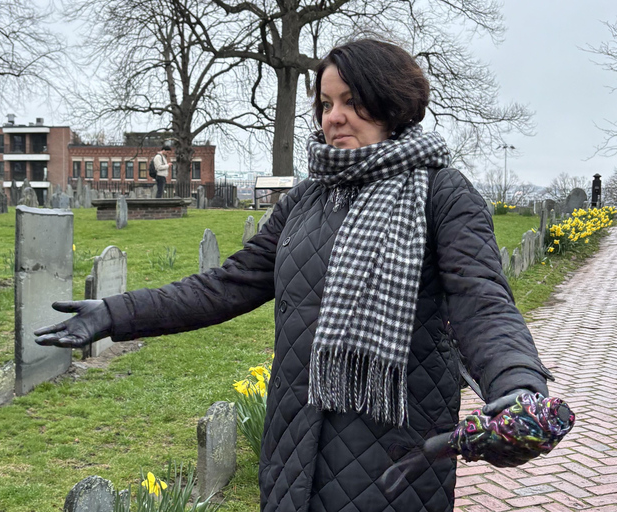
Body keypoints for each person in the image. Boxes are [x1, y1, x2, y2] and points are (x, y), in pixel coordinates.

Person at [34, 39, 552, 511]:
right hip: (293, 441)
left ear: (392, 102)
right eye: (326, 106)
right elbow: (227, 284)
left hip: (394, 449)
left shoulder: (442, 193)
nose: (335, 118)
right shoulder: (307, 199)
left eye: (352, 101)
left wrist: (517, 382)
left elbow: (482, 300)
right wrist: (115, 312)